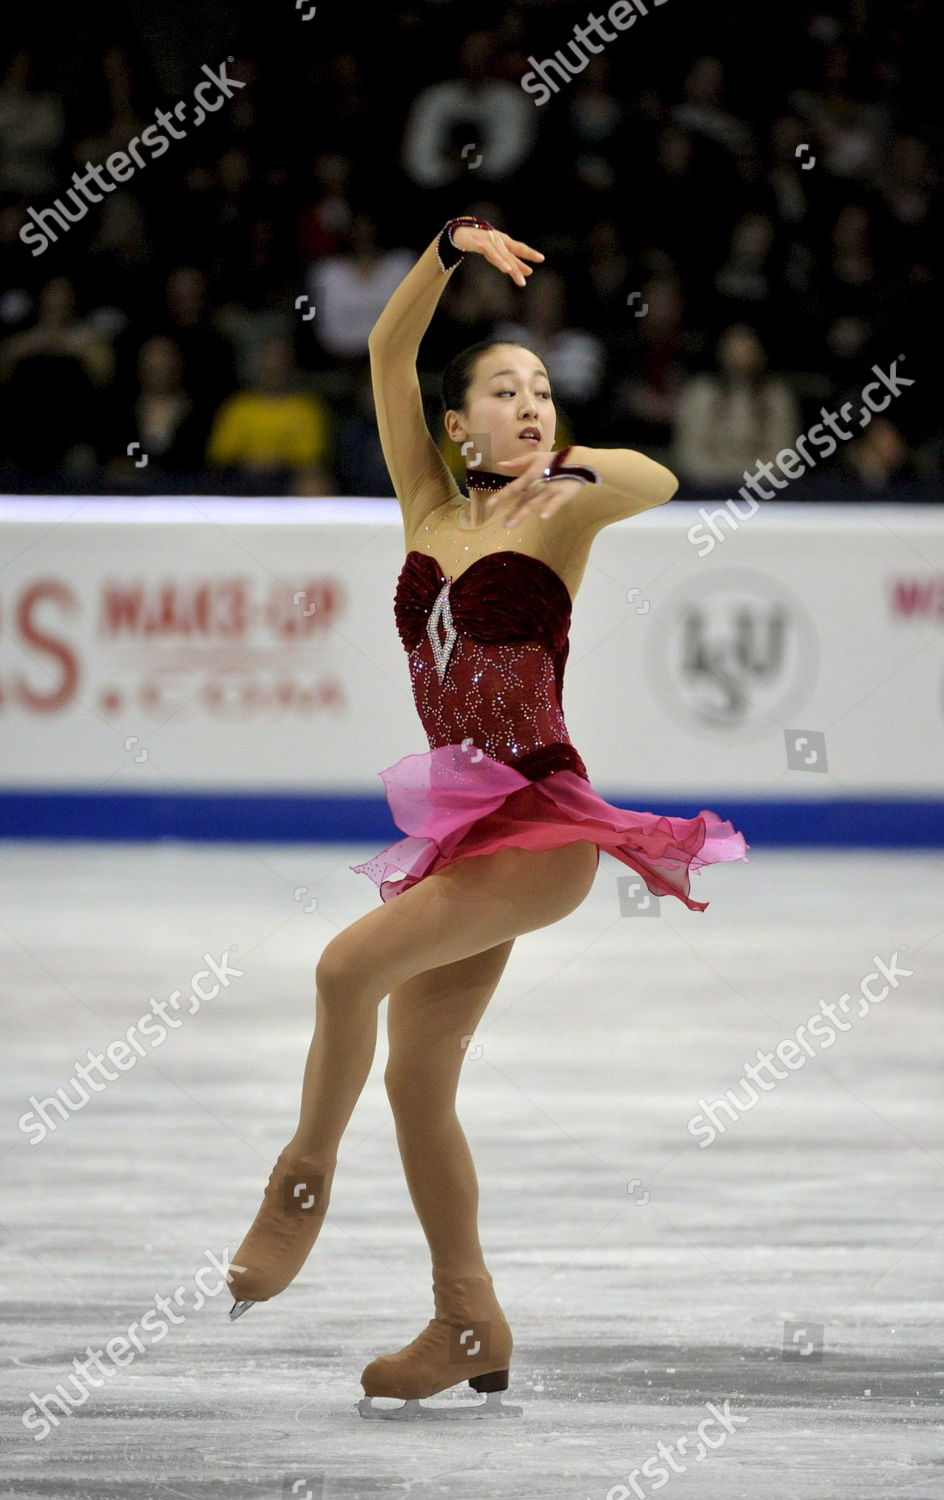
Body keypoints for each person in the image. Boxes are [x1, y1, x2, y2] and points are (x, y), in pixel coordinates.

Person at [225, 218, 749, 1419]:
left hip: (541, 821)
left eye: (539, 393)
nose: (526, 405)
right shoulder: (427, 503)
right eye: (500, 393)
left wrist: (567, 469)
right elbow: (387, 354)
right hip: (459, 831)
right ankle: (467, 1317)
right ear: (454, 425)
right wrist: (445, 247)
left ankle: (299, 1176)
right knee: (417, 1083)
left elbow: (654, 481)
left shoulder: (557, 513)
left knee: (341, 966)